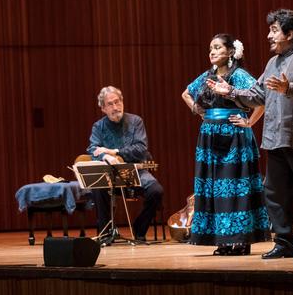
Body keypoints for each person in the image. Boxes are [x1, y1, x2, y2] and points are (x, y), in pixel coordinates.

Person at [207, 9, 293, 258]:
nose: (269, 35)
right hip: (275, 138)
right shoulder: (272, 63)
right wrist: (231, 92)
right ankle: (285, 244)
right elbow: (257, 95)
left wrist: (289, 88)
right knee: (275, 194)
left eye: (274, 30)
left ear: (290, 33)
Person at [181, 33, 270, 256]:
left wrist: (249, 122)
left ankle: (240, 240)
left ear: (230, 52)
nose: (212, 51)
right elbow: (185, 93)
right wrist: (198, 110)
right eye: (211, 47)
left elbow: (262, 100)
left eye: (218, 47)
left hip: (234, 137)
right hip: (210, 136)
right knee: (213, 187)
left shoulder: (238, 75)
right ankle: (221, 238)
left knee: (235, 187)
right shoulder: (207, 76)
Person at [87, 86, 164, 242]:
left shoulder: (136, 121)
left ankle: (139, 228)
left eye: (117, 102)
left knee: (156, 191)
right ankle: (105, 233)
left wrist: (114, 152)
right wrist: (105, 156)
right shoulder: (98, 127)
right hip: (110, 172)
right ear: (103, 108)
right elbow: (92, 149)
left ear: (122, 102)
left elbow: (141, 149)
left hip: (136, 170)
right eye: (110, 104)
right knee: (98, 187)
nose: (115, 107)